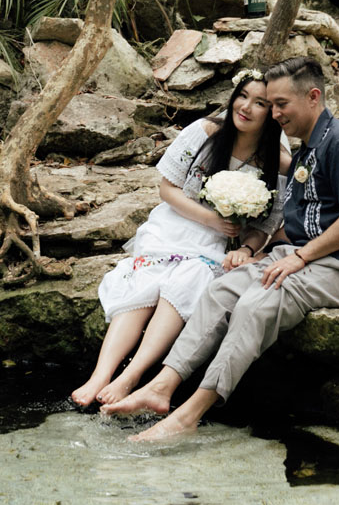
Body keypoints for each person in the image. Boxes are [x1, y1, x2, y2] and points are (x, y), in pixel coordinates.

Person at [101, 57, 339, 440]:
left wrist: (299, 257)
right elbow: (295, 224)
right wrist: (254, 252)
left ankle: (189, 414)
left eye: (280, 104)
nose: (274, 113)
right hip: (305, 257)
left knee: (258, 303)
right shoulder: (305, 151)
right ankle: (160, 387)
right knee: (223, 288)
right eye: (271, 104)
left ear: (313, 96)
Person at [70, 69, 291, 408]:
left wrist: (246, 249)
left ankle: (131, 377)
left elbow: (268, 224)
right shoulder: (204, 132)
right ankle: (101, 374)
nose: (246, 107)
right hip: (176, 225)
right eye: (242, 96)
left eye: (259, 103)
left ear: (272, 113)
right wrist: (211, 218)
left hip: (218, 245)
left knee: (190, 280)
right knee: (143, 281)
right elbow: (166, 188)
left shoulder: (277, 161)